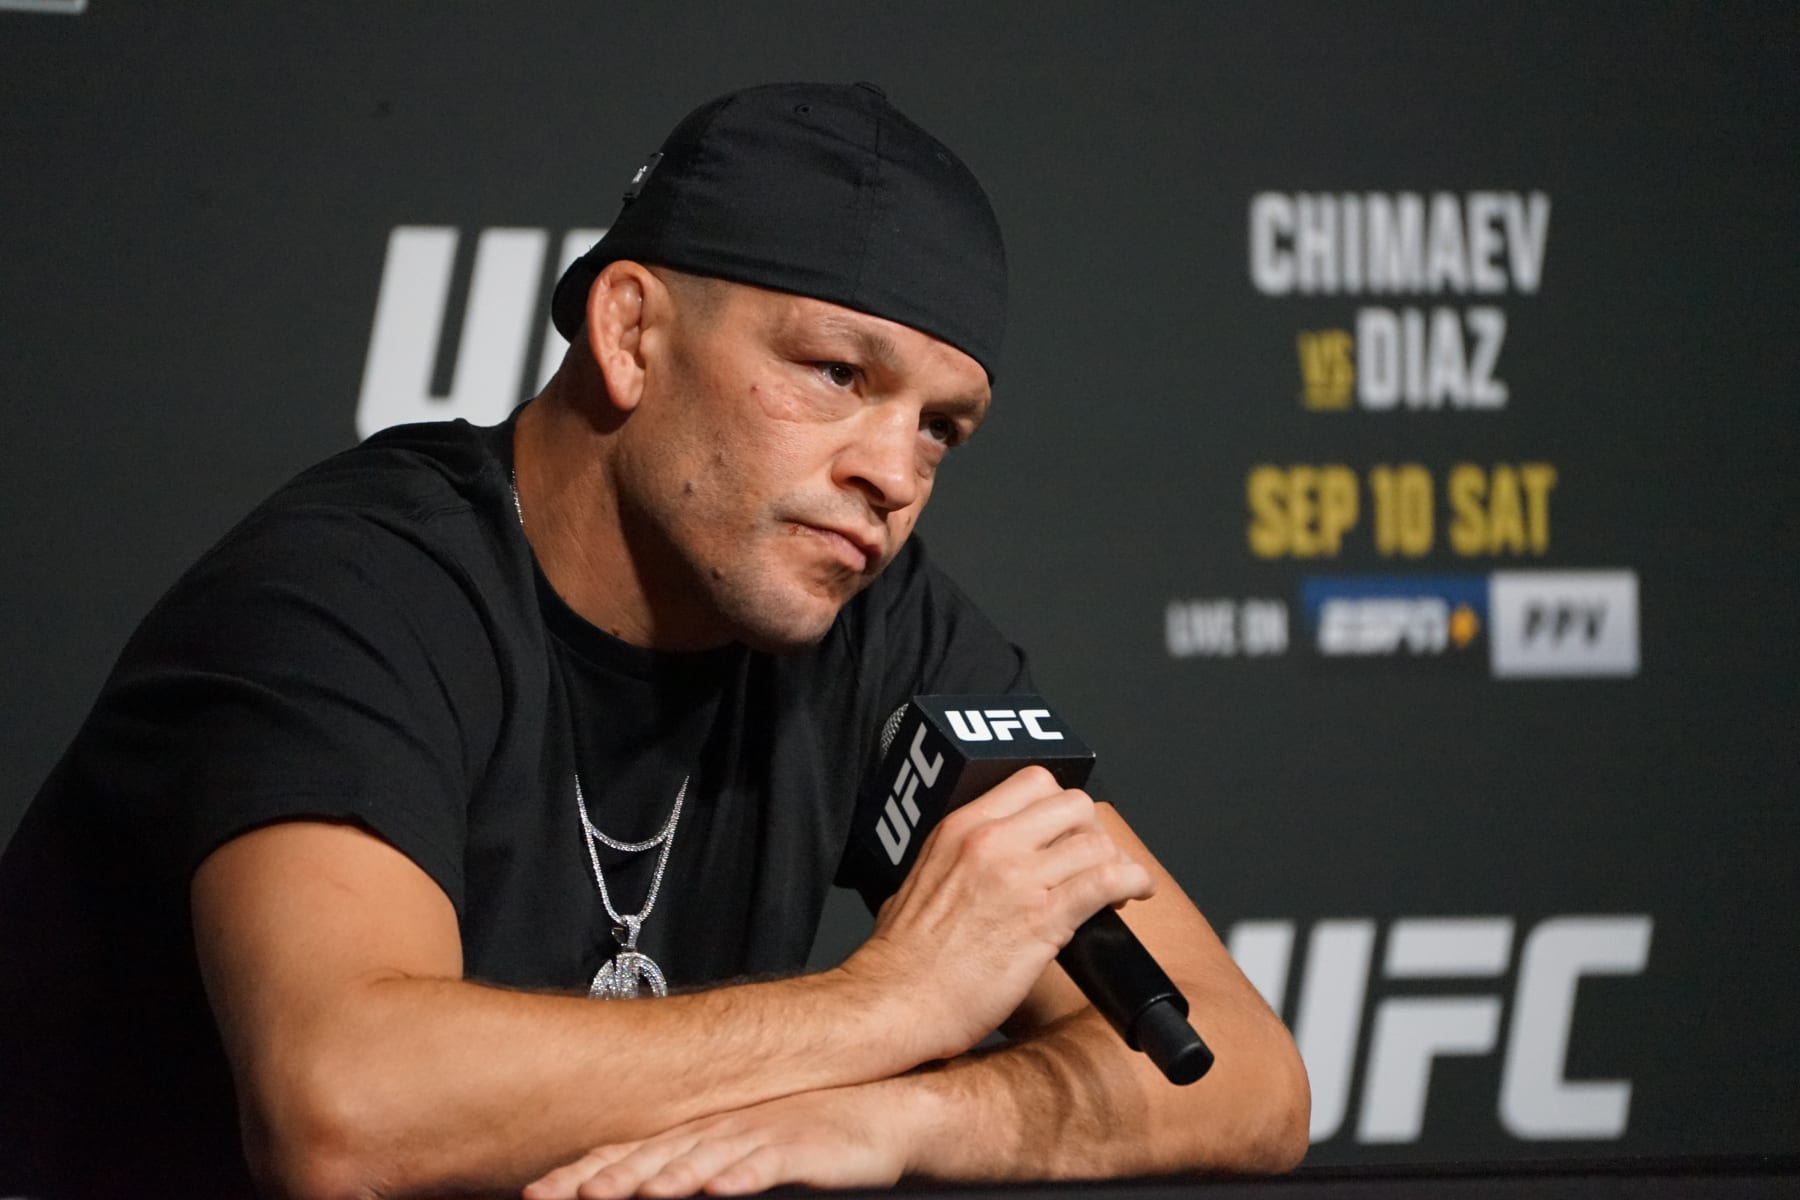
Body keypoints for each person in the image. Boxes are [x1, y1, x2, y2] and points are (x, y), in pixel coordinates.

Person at [0, 81, 1307, 1199]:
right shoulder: (352, 591)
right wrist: (893, 1008)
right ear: (629, 332)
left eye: (939, 426)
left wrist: (894, 1116)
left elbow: (1242, 1072)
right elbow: (345, 1112)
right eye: (838, 375)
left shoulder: (878, 624)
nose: (891, 472)